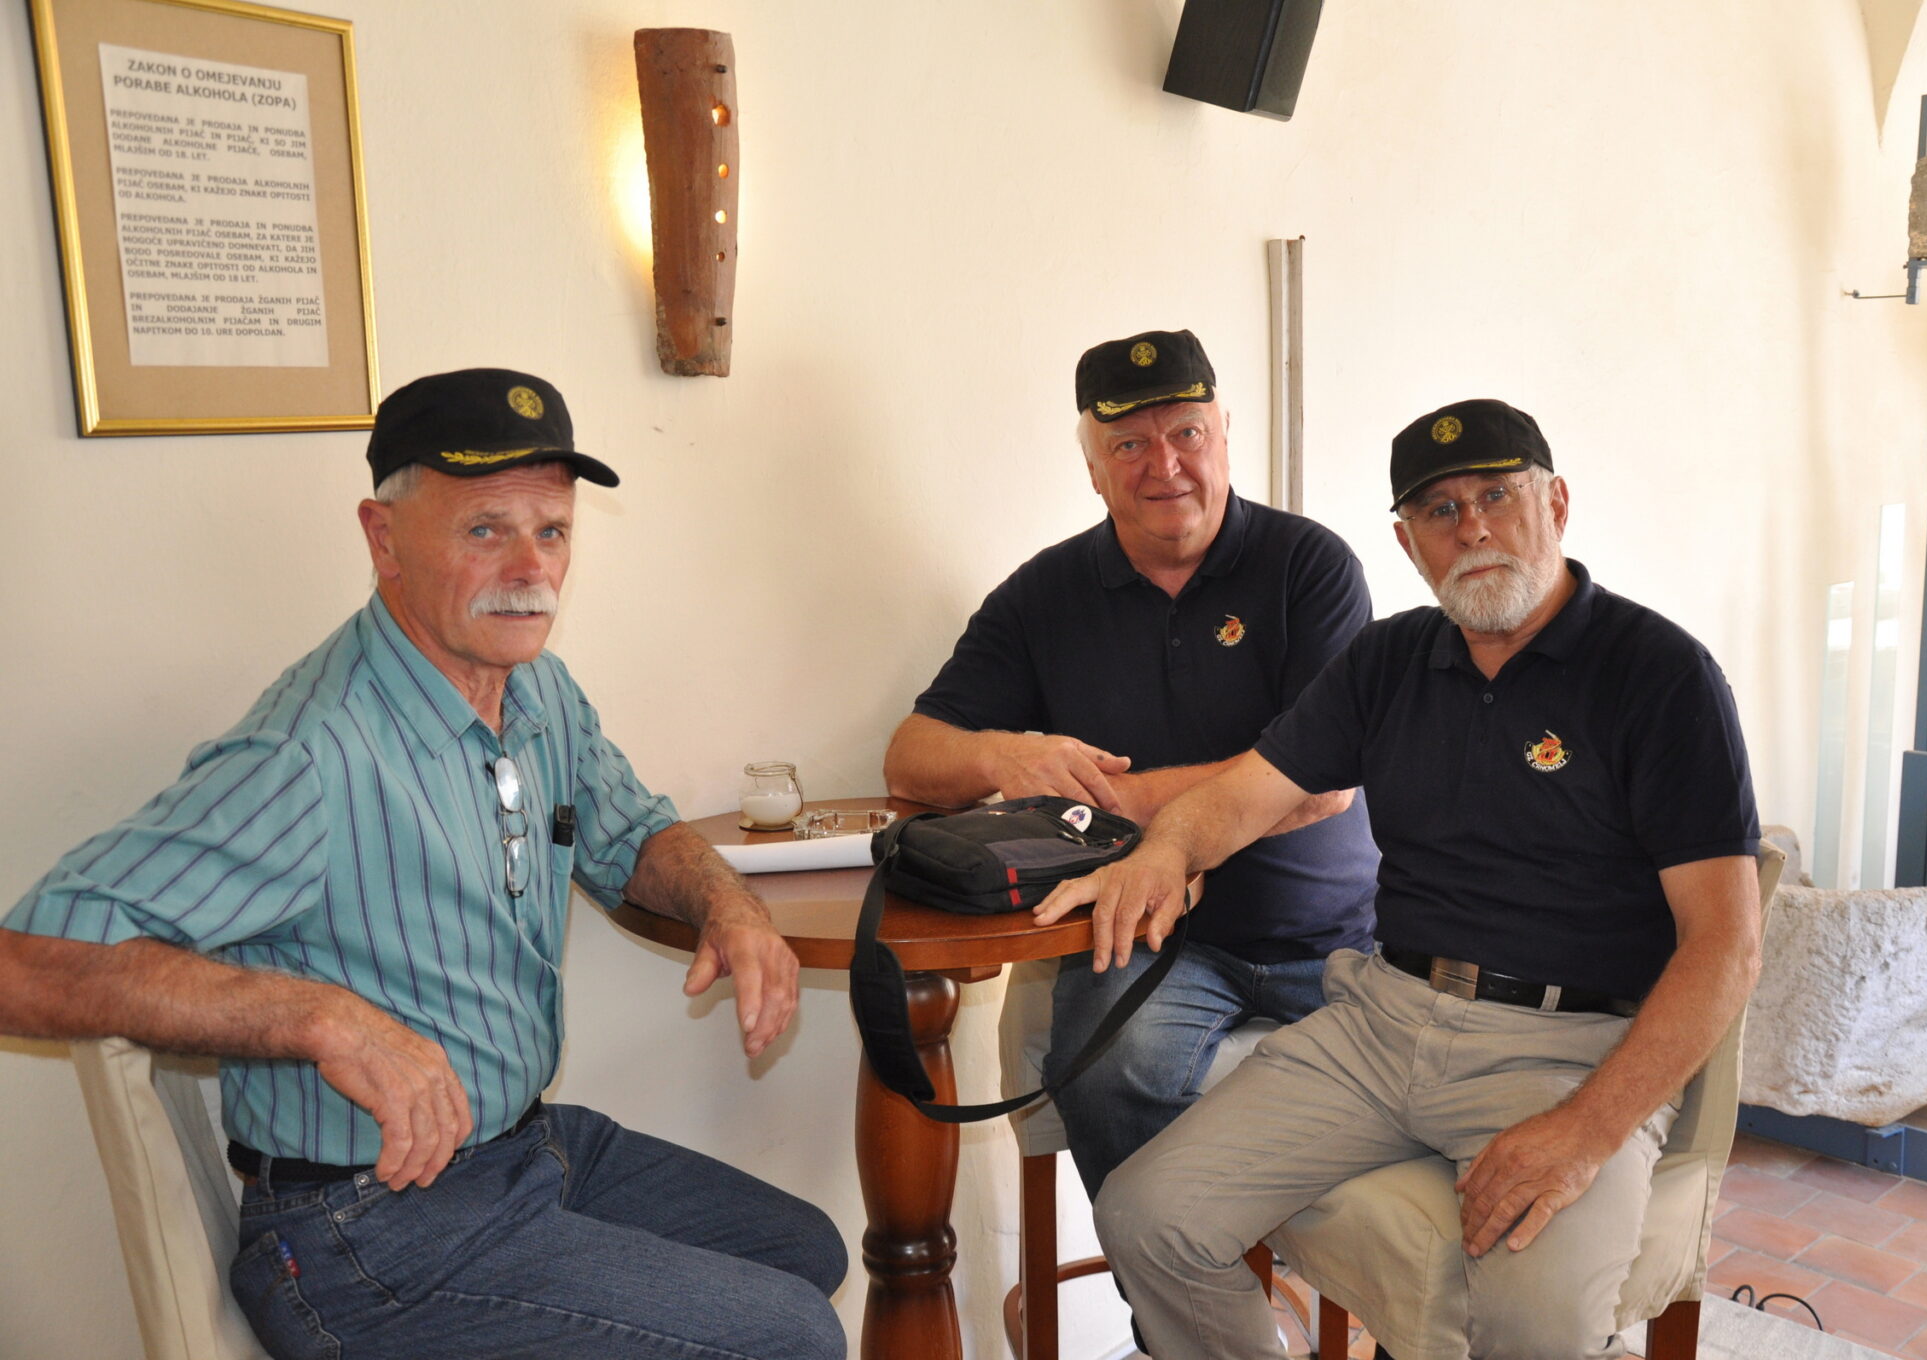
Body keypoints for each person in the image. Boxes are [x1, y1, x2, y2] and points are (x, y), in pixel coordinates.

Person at [0, 369, 846, 1360]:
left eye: (553, 531)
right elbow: (24, 964)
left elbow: (635, 837)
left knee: (804, 1249)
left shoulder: (539, 691)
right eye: (485, 529)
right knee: (791, 1335)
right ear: (384, 538)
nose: (529, 568)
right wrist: (321, 1018)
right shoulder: (308, 754)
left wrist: (729, 905)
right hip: (361, 1229)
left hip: (521, 1151)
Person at [1037, 397, 1762, 1360]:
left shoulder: (1660, 675)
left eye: (1497, 497)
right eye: (1439, 511)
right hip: (1382, 1023)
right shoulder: (1388, 660)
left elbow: (1726, 944)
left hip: (1566, 1053)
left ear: (1556, 504)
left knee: (1536, 1327)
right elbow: (1244, 796)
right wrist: (1166, 850)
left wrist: (1586, 1130)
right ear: (1407, 543)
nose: (1473, 530)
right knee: (1146, 1216)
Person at [882, 328, 1379, 1209]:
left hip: (1338, 938)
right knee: (1106, 1070)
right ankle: (1184, 1288)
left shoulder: (1311, 566)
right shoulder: (1044, 594)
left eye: (1187, 433)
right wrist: (1004, 755)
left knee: (1426, 1098)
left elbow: (1322, 783)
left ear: (1224, 434)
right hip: (1148, 938)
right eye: (1129, 444)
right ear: (1093, 468)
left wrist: (1107, 804)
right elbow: (910, 756)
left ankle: (1269, 1265)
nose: (1165, 465)